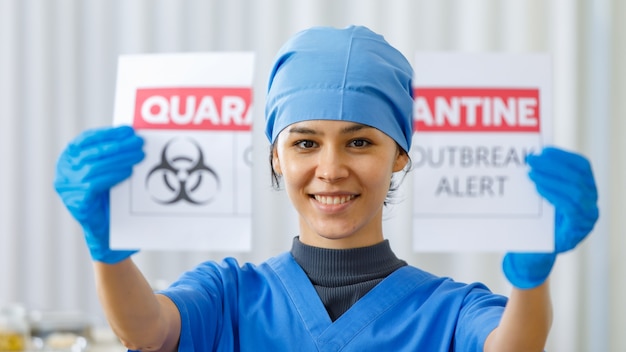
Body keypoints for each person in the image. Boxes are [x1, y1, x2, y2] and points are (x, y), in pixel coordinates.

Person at [54, 25, 599, 352]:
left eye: (360, 143)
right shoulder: (228, 296)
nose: (332, 169)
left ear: (400, 154)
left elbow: (514, 345)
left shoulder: (449, 311)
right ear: (274, 154)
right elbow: (147, 331)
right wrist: (107, 248)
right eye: (306, 143)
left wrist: (533, 276)